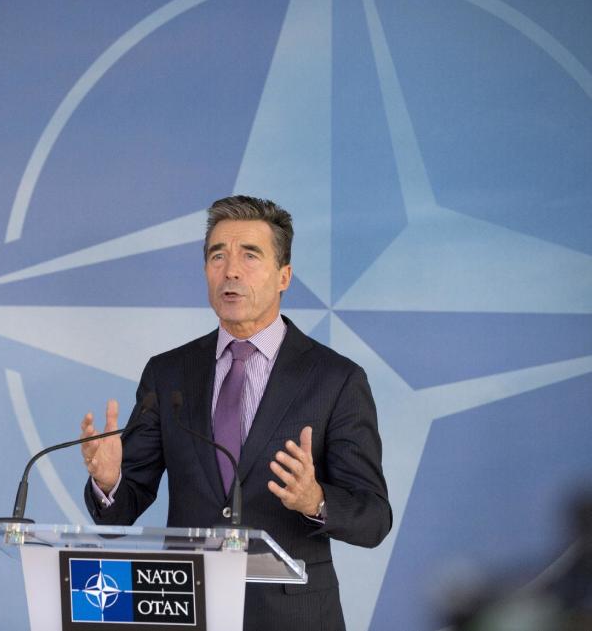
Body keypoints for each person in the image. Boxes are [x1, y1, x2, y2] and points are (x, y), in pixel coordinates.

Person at [79, 196, 392, 630]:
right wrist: (109, 482)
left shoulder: (335, 379)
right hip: (187, 609)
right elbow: (122, 506)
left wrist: (315, 500)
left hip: (293, 616)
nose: (231, 271)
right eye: (217, 256)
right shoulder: (168, 373)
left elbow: (373, 517)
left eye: (250, 255)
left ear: (284, 276)